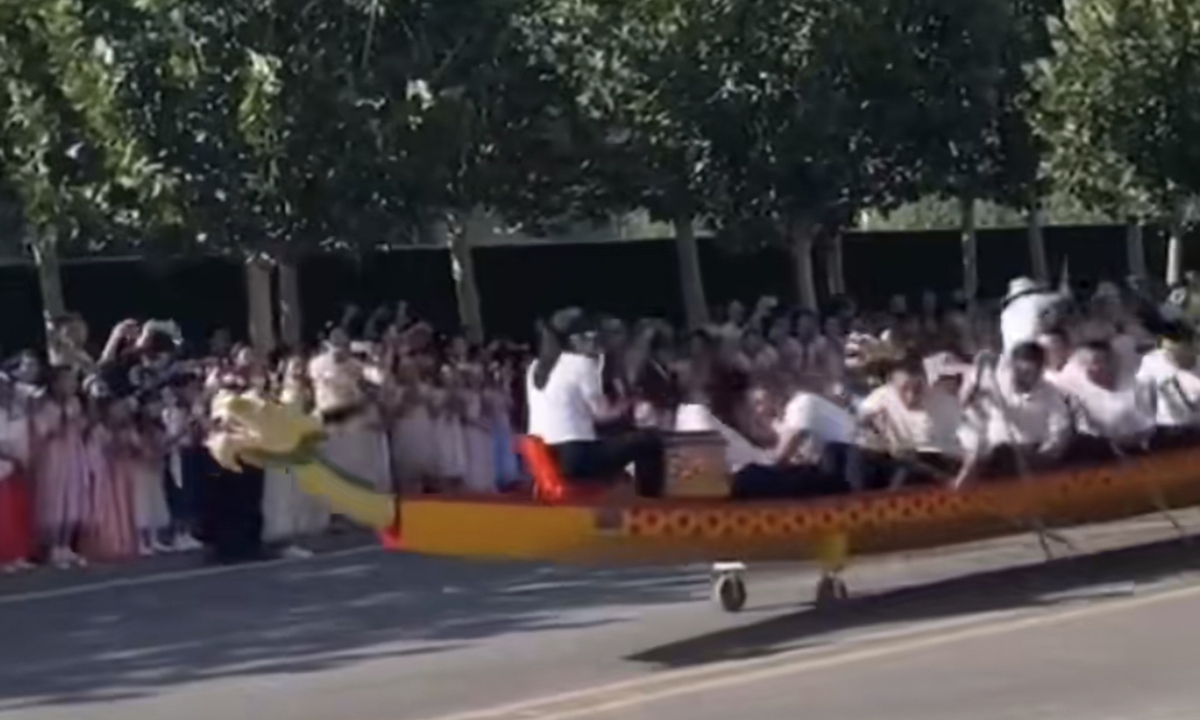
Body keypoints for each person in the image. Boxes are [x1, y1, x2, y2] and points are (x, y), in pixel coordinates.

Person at [526, 309, 664, 497]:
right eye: (589, 336)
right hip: (576, 456)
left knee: (615, 443)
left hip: (545, 455)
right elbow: (603, 414)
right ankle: (651, 503)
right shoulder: (580, 363)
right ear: (573, 340)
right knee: (650, 442)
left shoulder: (534, 367)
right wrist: (629, 402)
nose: (594, 342)